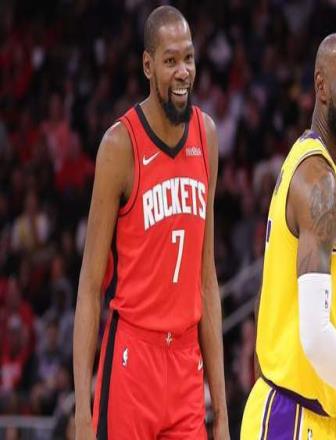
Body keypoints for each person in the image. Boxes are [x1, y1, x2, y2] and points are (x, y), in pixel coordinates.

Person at [73, 6, 229, 439]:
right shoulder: (119, 146)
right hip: (132, 360)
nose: (183, 72)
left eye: (189, 58)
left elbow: (207, 280)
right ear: (148, 65)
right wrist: (83, 411)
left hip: (185, 366)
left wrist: (221, 411)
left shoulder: (206, 136)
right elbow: (89, 285)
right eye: (170, 60)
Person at [240, 33, 336, 439]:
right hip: (291, 416)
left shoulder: (315, 167)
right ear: (321, 87)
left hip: (306, 412)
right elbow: (314, 335)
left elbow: (272, 297)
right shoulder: (318, 182)